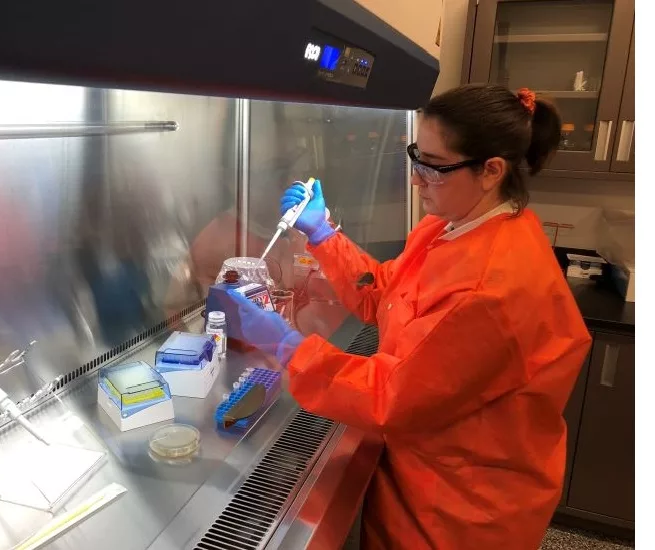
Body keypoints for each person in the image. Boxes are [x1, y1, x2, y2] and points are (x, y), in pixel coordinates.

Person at [216, 84, 593, 550]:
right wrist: (322, 233)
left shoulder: (492, 289)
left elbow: (391, 399)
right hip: (422, 472)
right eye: (417, 156)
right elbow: (384, 294)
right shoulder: (450, 228)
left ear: (491, 170)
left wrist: (287, 346)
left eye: (433, 167)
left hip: (460, 509)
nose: (416, 180)